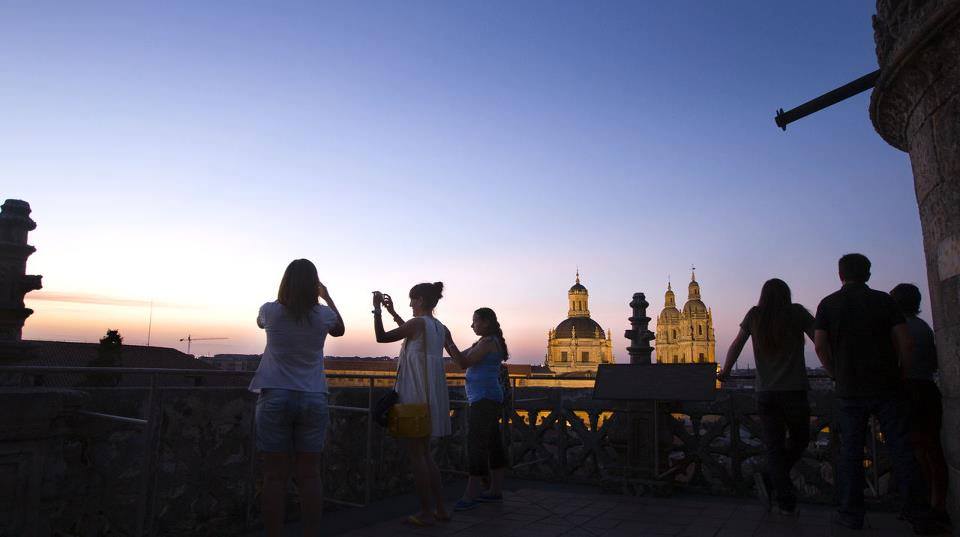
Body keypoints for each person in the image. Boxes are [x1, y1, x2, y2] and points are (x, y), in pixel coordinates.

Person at [813, 254, 930, 533]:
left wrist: (834, 373)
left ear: (840, 275)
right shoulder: (885, 301)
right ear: (868, 274)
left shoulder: (828, 304)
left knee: (850, 452)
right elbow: (906, 343)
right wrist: (900, 374)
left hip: (850, 388)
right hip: (888, 386)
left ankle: (851, 514)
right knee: (901, 450)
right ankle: (917, 512)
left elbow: (819, 346)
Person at [249, 259, 345, 537]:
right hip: (313, 396)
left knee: (274, 477)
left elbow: (259, 322)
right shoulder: (324, 315)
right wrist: (327, 296)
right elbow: (340, 328)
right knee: (310, 475)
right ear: (314, 284)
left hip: (275, 395)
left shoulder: (269, 311)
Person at [718, 278, 814, 515]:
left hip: (766, 392)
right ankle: (782, 494)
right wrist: (833, 368)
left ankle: (775, 485)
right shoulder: (797, 313)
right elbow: (819, 340)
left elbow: (737, 344)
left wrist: (726, 372)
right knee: (800, 440)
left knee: (774, 446)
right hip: (794, 390)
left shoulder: (755, 315)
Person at [373, 282, 456, 527]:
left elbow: (381, 338)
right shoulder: (441, 328)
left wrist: (377, 310)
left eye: (412, 300)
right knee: (427, 455)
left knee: (417, 456)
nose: (410, 304)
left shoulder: (417, 324)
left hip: (415, 394)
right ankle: (441, 508)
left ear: (420, 299)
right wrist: (394, 313)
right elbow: (416, 335)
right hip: (432, 395)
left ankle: (426, 512)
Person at [889, 283, 950, 529]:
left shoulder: (895, 328)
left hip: (906, 392)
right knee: (932, 450)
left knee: (912, 452)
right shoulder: (924, 327)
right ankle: (938, 505)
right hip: (927, 390)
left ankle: (918, 504)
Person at [449, 307, 510, 512]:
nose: (472, 324)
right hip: (487, 397)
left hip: (484, 398)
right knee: (493, 444)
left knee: (476, 444)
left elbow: (463, 363)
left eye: (474, 321)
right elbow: (458, 358)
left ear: (485, 322)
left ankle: (471, 493)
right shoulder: (485, 342)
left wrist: (447, 341)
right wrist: (447, 344)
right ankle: (495, 490)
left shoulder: (488, 343)